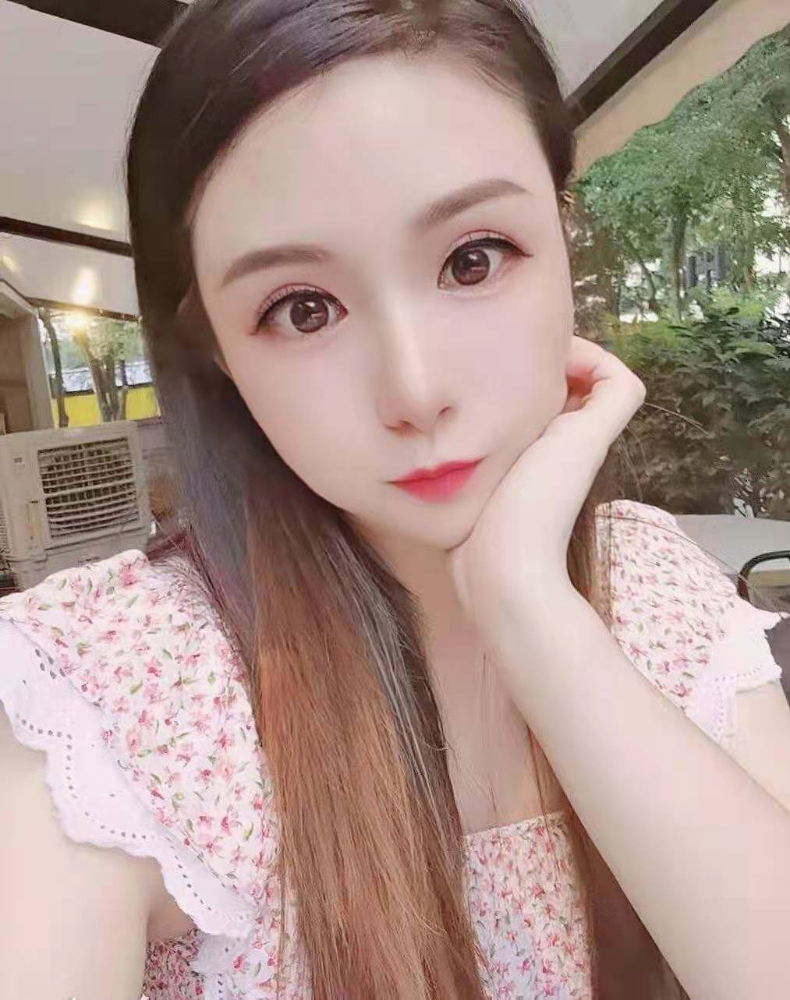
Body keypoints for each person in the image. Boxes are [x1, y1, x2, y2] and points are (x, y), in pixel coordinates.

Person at [1, 1, 789, 998]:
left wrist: (532, 609)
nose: (415, 391)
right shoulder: (110, 694)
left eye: (473, 259)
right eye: (303, 309)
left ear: (563, 238)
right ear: (218, 354)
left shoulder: (656, 593)